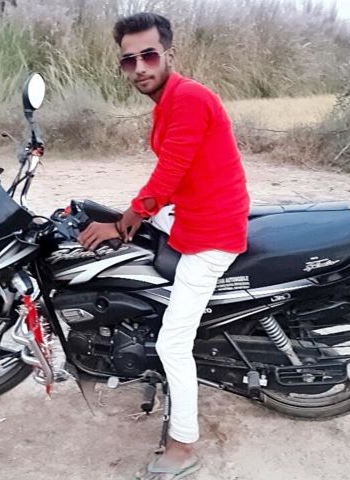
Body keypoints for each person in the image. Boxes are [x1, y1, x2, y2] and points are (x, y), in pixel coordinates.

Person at [78, 12, 250, 480]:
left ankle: (182, 447)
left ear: (169, 54)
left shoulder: (188, 98)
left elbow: (170, 171)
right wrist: (124, 215)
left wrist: (125, 221)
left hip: (212, 231)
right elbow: (178, 175)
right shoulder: (169, 100)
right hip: (194, 213)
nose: (139, 68)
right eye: (128, 60)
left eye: (149, 56)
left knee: (173, 342)